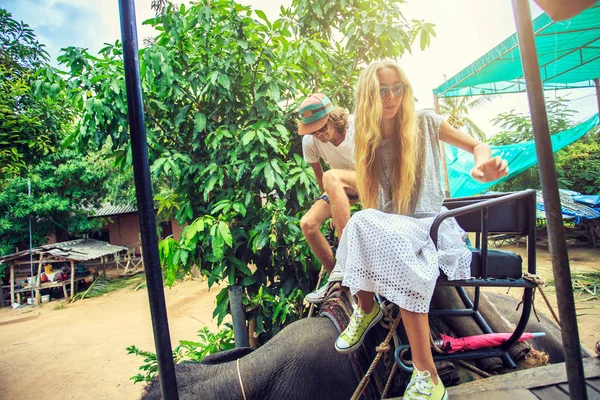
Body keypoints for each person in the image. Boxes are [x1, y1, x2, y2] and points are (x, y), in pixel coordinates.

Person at [333, 60, 508, 400]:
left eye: (398, 88)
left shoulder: (425, 121)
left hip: (430, 224)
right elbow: (374, 205)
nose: (392, 96)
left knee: (389, 238)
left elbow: (477, 146)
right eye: (383, 90)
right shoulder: (366, 139)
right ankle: (366, 308)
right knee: (358, 221)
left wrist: (482, 165)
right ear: (369, 94)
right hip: (392, 227)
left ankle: (428, 373)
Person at [297, 93, 358, 304]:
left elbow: (376, 166)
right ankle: (337, 279)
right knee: (308, 223)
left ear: (333, 117)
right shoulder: (310, 142)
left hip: (368, 180)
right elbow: (320, 179)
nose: (320, 134)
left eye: (323, 127)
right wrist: (336, 205)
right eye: (313, 131)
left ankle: (346, 259)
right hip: (338, 186)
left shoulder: (356, 126)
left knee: (332, 176)